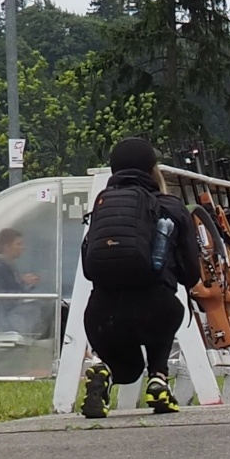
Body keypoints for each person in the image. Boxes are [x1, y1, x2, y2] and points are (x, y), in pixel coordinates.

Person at [78, 137, 201, 417]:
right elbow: (191, 275)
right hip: (155, 310)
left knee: (128, 369)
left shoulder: (102, 207)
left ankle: (103, 368)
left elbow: (88, 268)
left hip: (100, 316)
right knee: (168, 307)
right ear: (152, 169)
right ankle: (158, 379)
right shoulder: (170, 206)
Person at [0, 228, 54, 336]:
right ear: (6, 247)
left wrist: (24, 282)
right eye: (18, 244)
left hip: (11, 314)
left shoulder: (5, 266)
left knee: (50, 305)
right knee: (47, 307)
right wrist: (23, 283)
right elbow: (4, 298)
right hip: (5, 320)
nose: (22, 248)